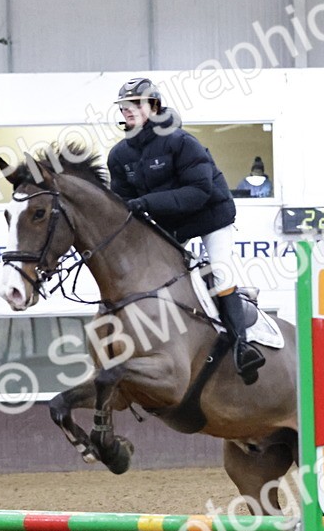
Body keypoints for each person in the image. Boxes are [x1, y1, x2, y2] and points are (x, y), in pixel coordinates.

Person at [106, 77, 265, 384]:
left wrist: (146, 202)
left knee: (219, 272)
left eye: (136, 104)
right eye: (124, 105)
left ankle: (242, 346)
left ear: (154, 106)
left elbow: (198, 192)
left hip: (210, 216)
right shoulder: (119, 155)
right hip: (170, 222)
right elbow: (123, 203)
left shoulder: (181, 142)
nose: (128, 109)